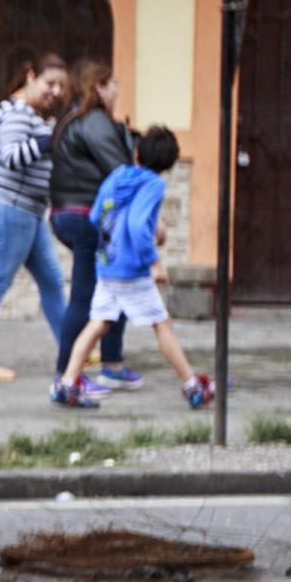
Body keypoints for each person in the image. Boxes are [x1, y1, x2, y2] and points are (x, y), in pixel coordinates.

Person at [52, 125, 216, 412]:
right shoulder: (153, 184)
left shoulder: (117, 175)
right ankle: (192, 386)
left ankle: (67, 383)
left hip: (107, 265)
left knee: (98, 324)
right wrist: (154, 261)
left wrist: (112, 245)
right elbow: (138, 226)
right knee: (161, 323)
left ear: (137, 153)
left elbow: (96, 216)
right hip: (131, 272)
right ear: (169, 164)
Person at [0, 53, 69, 383]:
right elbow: (10, 157)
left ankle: (73, 349)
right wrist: (48, 140)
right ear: (30, 76)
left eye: (61, 87)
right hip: (9, 207)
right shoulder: (17, 112)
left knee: (51, 280)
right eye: (50, 83)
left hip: (27, 211)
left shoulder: (32, 114)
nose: (56, 92)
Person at [46, 62, 145, 394]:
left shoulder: (76, 119)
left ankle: (112, 364)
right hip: (86, 216)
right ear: (99, 87)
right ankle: (66, 376)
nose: (117, 90)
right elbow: (121, 173)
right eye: (113, 84)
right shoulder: (96, 121)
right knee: (86, 296)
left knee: (113, 289)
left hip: (70, 212)